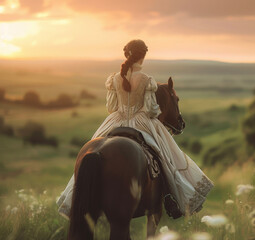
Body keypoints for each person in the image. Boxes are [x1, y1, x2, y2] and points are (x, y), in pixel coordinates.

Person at [57, 39, 214, 218]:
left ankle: (76, 196)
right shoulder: (147, 80)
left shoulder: (114, 79)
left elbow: (111, 106)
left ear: (127, 55)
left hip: (116, 121)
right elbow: (151, 110)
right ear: (143, 57)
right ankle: (170, 198)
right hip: (142, 122)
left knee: (93, 146)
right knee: (164, 156)